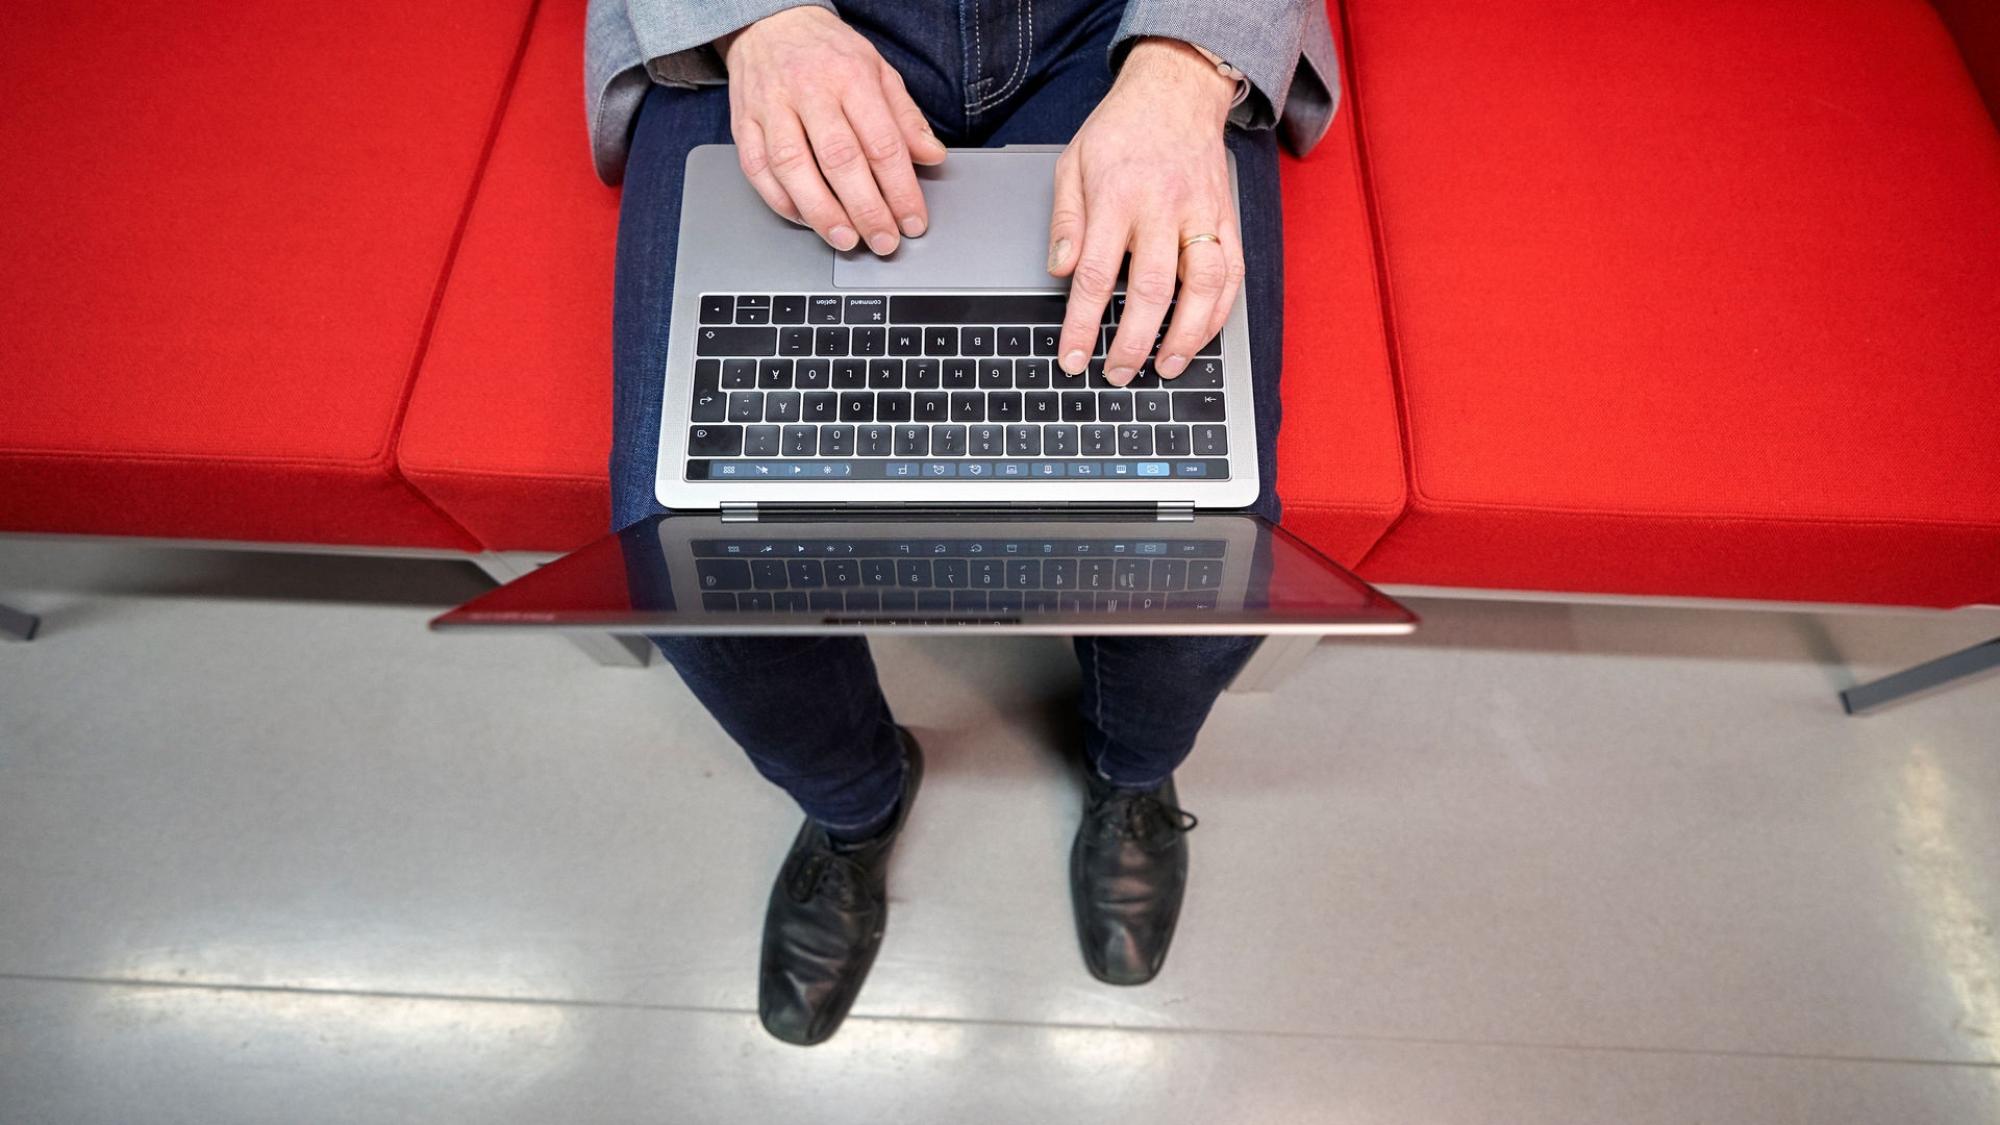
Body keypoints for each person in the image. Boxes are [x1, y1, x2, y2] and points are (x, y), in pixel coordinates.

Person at [586, 0, 1341, 1046]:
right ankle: (854, 805)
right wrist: (755, 20)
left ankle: (1129, 774)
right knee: (683, 544)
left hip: (1121, 20)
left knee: (1205, 527)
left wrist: (1186, 64)